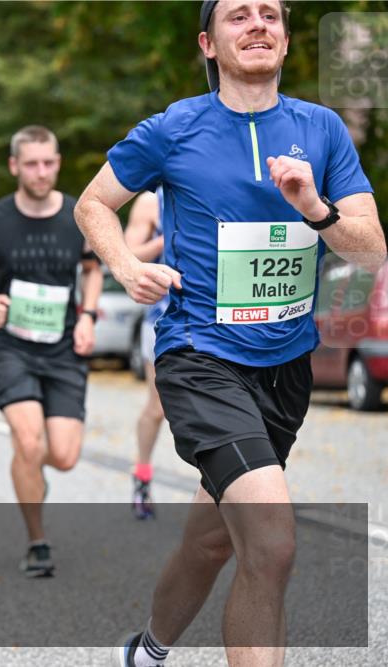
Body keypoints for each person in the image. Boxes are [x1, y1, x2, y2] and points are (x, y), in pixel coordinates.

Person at [74, 2, 384, 664]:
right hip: (200, 356)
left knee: (211, 542)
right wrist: (127, 266)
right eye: (239, 15)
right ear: (208, 43)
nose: (257, 24)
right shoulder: (174, 128)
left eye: (270, 13)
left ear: (286, 38)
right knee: (271, 540)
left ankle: (146, 650)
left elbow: (372, 251)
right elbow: (93, 203)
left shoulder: (322, 130)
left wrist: (315, 209)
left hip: (286, 367)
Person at [0, 125, 103, 577]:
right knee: (29, 440)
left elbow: (93, 269)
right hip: (11, 346)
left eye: (49, 163)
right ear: (15, 166)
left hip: (62, 348)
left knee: (63, 456)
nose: (41, 172)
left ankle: (31, 476)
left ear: (57, 163)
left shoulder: (79, 214)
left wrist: (87, 316)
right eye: (32, 163)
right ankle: (37, 539)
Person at [124, 190, 166, 520]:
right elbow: (128, 255)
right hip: (164, 318)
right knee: (159, 407)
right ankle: (142, 474)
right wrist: (167, 240)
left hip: (215, 316)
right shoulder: (151, 201)